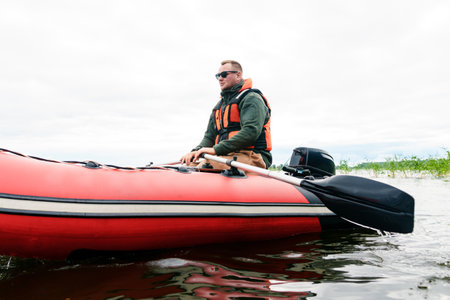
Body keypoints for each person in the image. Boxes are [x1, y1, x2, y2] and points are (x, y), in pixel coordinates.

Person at [180, 60, 272, 170]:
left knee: (205, 167)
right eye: (218, 76)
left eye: (224, 74)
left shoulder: (252, 99)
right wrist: (195, 151)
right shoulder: (219, 107)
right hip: (225, 155)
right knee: (186, 167)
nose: (220, 78)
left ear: (238, 75)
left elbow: (251, 132)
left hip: (254, 156)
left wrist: (216, 150)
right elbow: (209, 137)